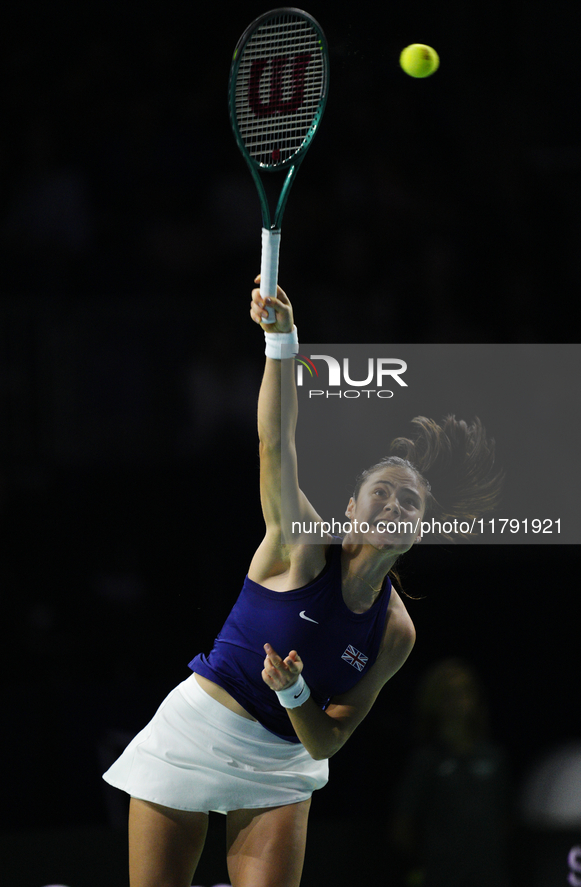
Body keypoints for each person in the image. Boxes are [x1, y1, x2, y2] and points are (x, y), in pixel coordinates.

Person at [103, 280, 503, 887]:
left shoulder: (395, 630)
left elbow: (327, 740)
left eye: (410, 500)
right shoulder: (300, 546)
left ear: (419, 530)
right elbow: (276, 443)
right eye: (382, 490)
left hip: (281, 765)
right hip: (196, 730)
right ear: (351, 507)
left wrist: (294, 695)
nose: (394, 503)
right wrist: (281, 342)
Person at [390, 659, 512, 887]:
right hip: (441, 878)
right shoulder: (424, 761)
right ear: (433, 700)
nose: (457, 701)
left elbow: (505, 820)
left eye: (463, 692)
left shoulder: (495, 758)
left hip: (490, 877)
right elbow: (403, 827)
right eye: (447, 694)